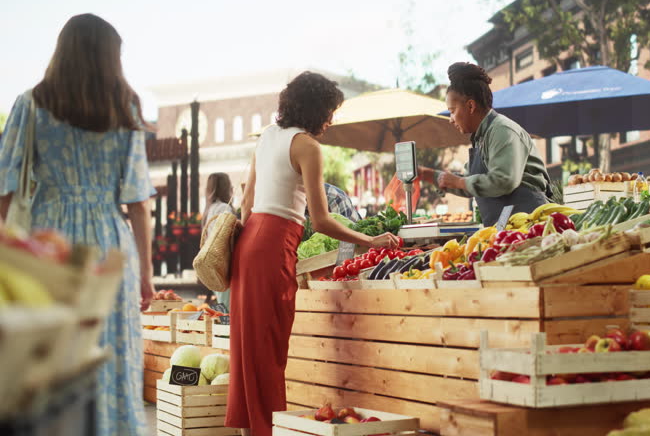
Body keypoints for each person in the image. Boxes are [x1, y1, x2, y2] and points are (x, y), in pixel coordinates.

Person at [0, 14, 155, 436]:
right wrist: (146, 277)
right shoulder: (125, 108)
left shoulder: (29, 105)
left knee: (52, 363)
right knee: (113, 356)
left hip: (50, 243)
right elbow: (138, 203)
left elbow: (3, 187)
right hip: (110, 244)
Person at [226, 71, 400, 436]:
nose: (330, 119)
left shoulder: (268, 137)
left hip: (249, 244)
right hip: (273, 245)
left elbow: (245, 203)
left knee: (247, 350)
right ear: (315, 108)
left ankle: (250, 429)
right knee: (270, 350)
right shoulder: (307, 146)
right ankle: (267, 431)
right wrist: (370, 241)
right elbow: (320, 221)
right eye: (329, 110)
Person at [419, 62, 551, 226]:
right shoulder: (481, 137)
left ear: (470, 105)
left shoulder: (502, 130)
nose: (451, 119)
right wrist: (427, 175)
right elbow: (470, 184)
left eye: (452, 111)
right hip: (507, 221)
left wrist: (459, 182)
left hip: (531, 221)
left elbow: (504, 181)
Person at [201, 172, 237, 308]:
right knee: (228, 309)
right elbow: (227, 237)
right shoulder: (224, 208)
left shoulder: (211, 209)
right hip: (224, 264)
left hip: (214, 266)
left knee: (223, 307)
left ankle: (224, 326)